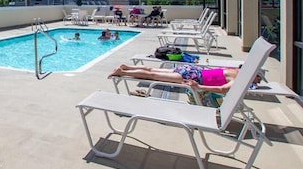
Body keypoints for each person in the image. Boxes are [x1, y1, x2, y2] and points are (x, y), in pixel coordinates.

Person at [108, 64, 258, 94]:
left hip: (191, 69)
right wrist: (199, 87)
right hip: (193, 76)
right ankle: (123, 72)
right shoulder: (239, 78)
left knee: (152, 70)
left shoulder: (234, 69)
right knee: (153, 75)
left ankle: (127, 67)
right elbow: (222, 89)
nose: (256, 81)